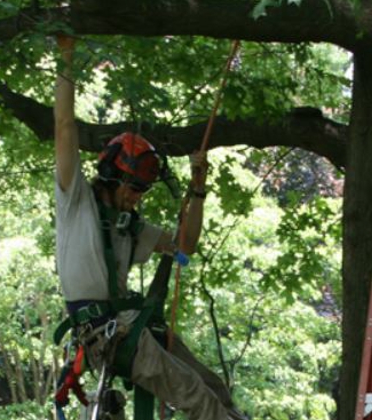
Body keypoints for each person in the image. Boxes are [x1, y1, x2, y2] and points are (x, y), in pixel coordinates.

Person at [54, 35, 246, 420]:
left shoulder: (131, 227)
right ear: (110, 177)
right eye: (133, 187)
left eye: (142, 190)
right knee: (194, 394)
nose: (137, 197)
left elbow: (185, 247)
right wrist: (66, 55)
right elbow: (64, 126)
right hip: (104, 333)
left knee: (214, 388)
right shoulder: (76, 202)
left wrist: (198, 188)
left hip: (131, 326)